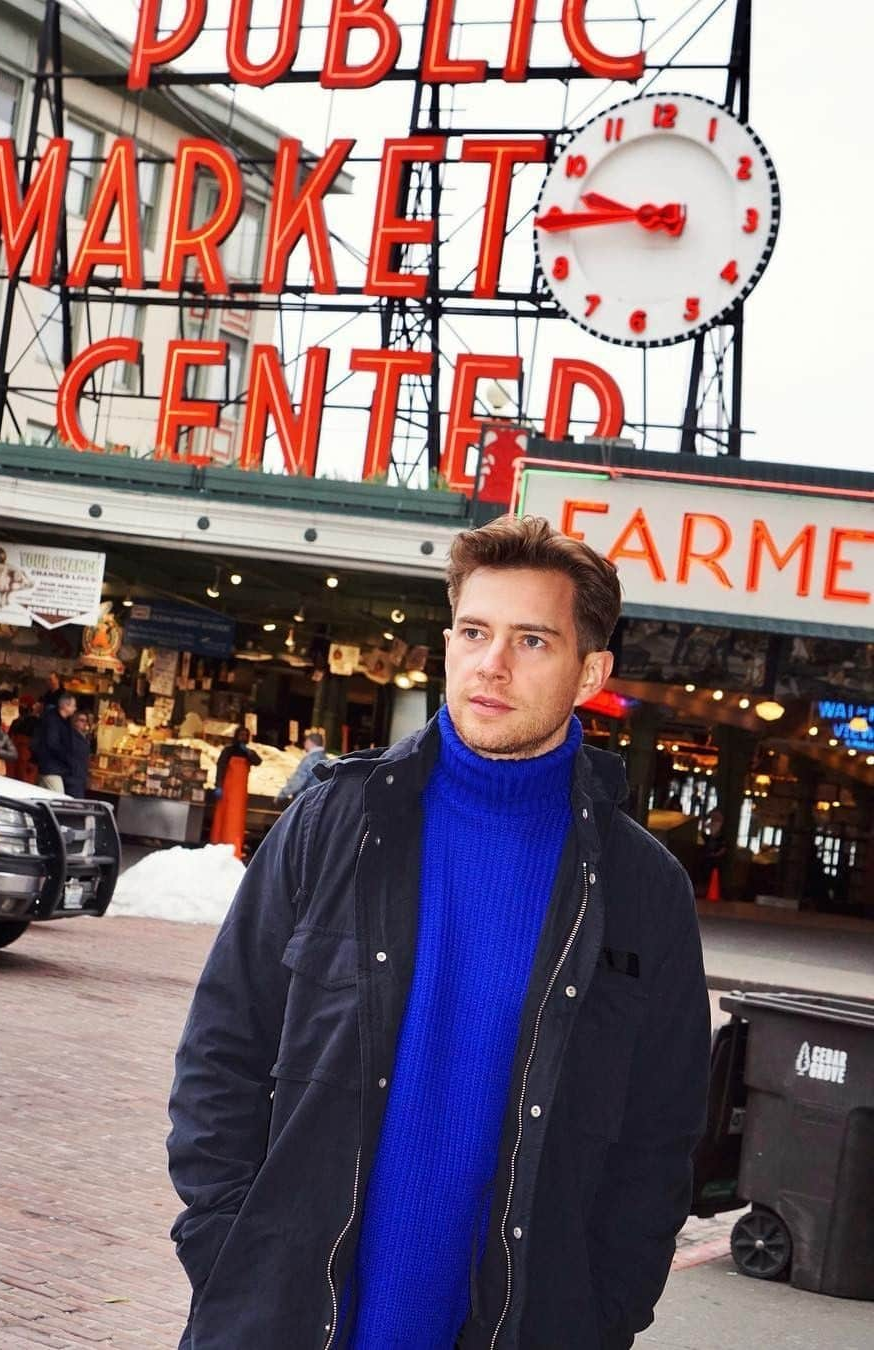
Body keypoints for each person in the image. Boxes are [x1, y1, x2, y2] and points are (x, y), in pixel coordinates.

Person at [167, 515, 710, 1350]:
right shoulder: (335, 823)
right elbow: (223, 1047)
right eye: (474, 632)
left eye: (532, 640)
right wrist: (228, 1244)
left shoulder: (644, 891)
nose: (491, 665)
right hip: (289, 1319)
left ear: (590, 671)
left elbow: (658, 1141)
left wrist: (602, 1317)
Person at [209, 726, 261, 860]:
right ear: (236, 736)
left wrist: (249, 753)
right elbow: (220, 768)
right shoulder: (228, 751)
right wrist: (218, 786)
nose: (243, 738)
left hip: (240, 794)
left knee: (236, 821)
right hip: (227, 792)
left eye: (245, 735)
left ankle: (234, 846)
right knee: (223, 819)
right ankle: (219, 844)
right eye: (241, 735)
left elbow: (258, 761)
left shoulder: (249, 754)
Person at [32, 691, 77, 793]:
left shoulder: (63, 721)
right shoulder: (53, 720)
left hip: (52, 767)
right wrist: (67, 757)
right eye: (73, 705)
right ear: (65, 706)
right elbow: (53, 743)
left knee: (43, 797)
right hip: (51, 767)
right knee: (58, 798)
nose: (75, 708)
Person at [275, 728, 329, 804]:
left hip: (306, 801)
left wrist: (282, 795)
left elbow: (298, 780)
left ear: (310, 742)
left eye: (306, 741)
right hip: (319, 802)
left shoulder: (310, 759)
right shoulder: (326, 760)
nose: (304, 743)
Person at [8, 695, 42, 784]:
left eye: (23, 705)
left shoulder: (34, 723)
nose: (21, 707)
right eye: (20, 705)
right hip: (17, 761)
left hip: (25, 761)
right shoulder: (17, 722)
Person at [64, 710, 93, 798]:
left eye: (86, 721)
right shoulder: (70, 738)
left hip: (79, 780)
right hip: (72, 779)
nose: (85, 723)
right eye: (81, 720)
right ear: (74, 722)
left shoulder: (84, 738)